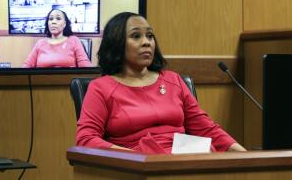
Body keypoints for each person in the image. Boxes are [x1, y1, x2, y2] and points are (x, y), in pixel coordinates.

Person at [76, 12, 246, 154]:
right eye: (136, 36)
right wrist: (137, 158)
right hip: (138, 165)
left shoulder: (173, 80)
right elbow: (86, 139)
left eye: (150, 36)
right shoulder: (101, 88)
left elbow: (206, 129)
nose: (146, 42)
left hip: (186, 158)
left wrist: (245, 157)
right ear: (116, 43)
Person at [23, 9, 92, 68]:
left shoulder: (74, 40)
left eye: (58, 19)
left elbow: (85, 67)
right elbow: (27, 65)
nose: (53, 22)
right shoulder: (40, 43)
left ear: (64, 24)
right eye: (51, 19)